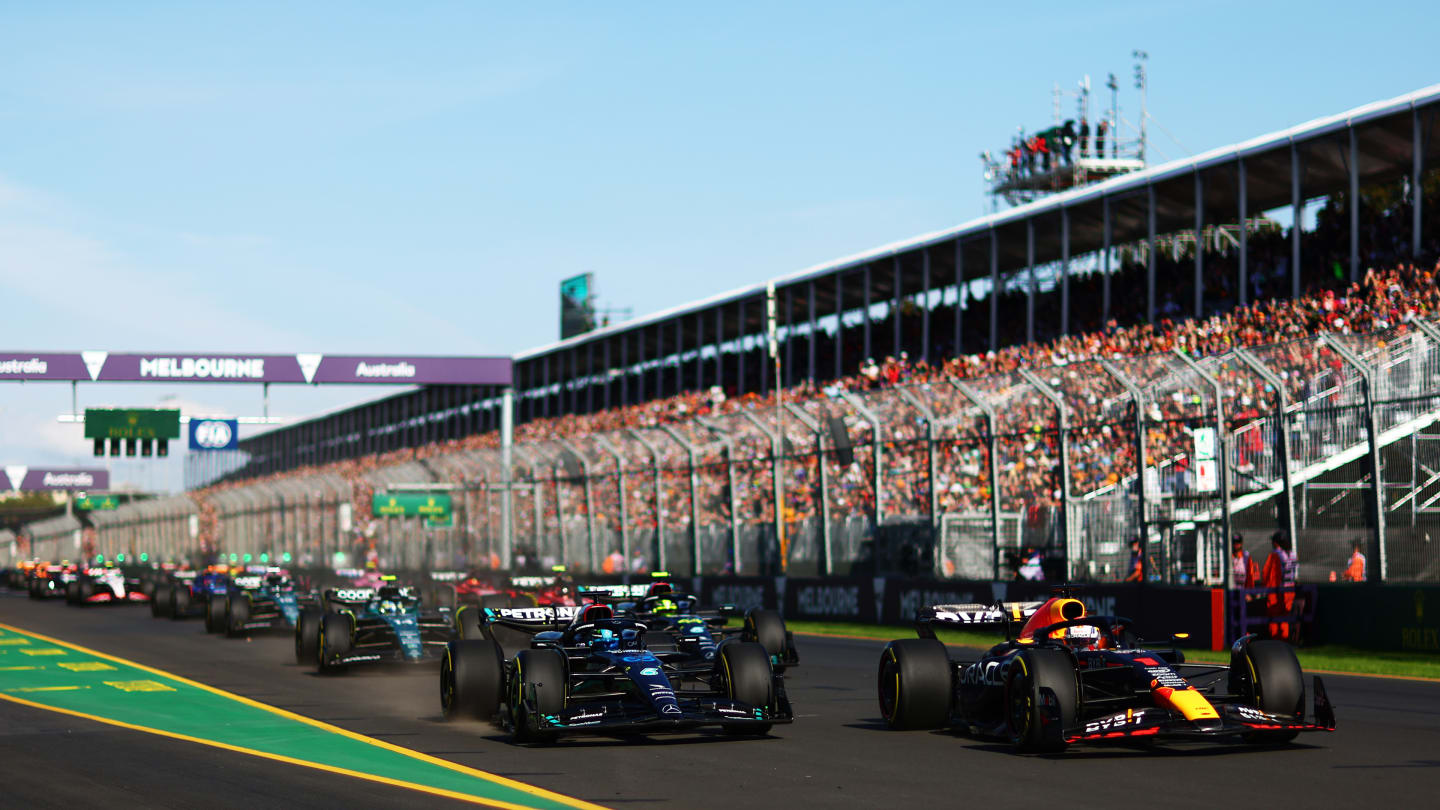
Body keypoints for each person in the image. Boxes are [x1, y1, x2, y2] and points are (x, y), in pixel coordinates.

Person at [1261, 530, 1297, 640]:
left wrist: (1266, 590)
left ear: (1276, 543)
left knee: (1274, 619)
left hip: (1278, 592)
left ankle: (1276, 641)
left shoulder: (1275, 555)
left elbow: (1267, 574)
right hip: (1290, 590)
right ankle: (1284, 640)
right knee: (1285, 618)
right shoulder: (1293, 554)